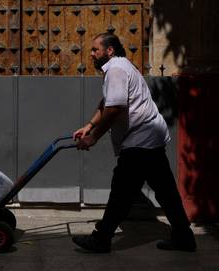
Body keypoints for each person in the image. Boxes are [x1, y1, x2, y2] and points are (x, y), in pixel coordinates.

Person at [71, 32, 196, 253]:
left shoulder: (116, 70)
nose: (91, 54)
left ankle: (101, 239)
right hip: (150, 137)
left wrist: (93, 137)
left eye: (95, 49)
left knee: (121, 190)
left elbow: (114, 108)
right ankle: (184, 237)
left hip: (140, 139)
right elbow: (108, 102)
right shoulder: (120, 66)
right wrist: (89, 125)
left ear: (109, 50)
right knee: (165, 191)